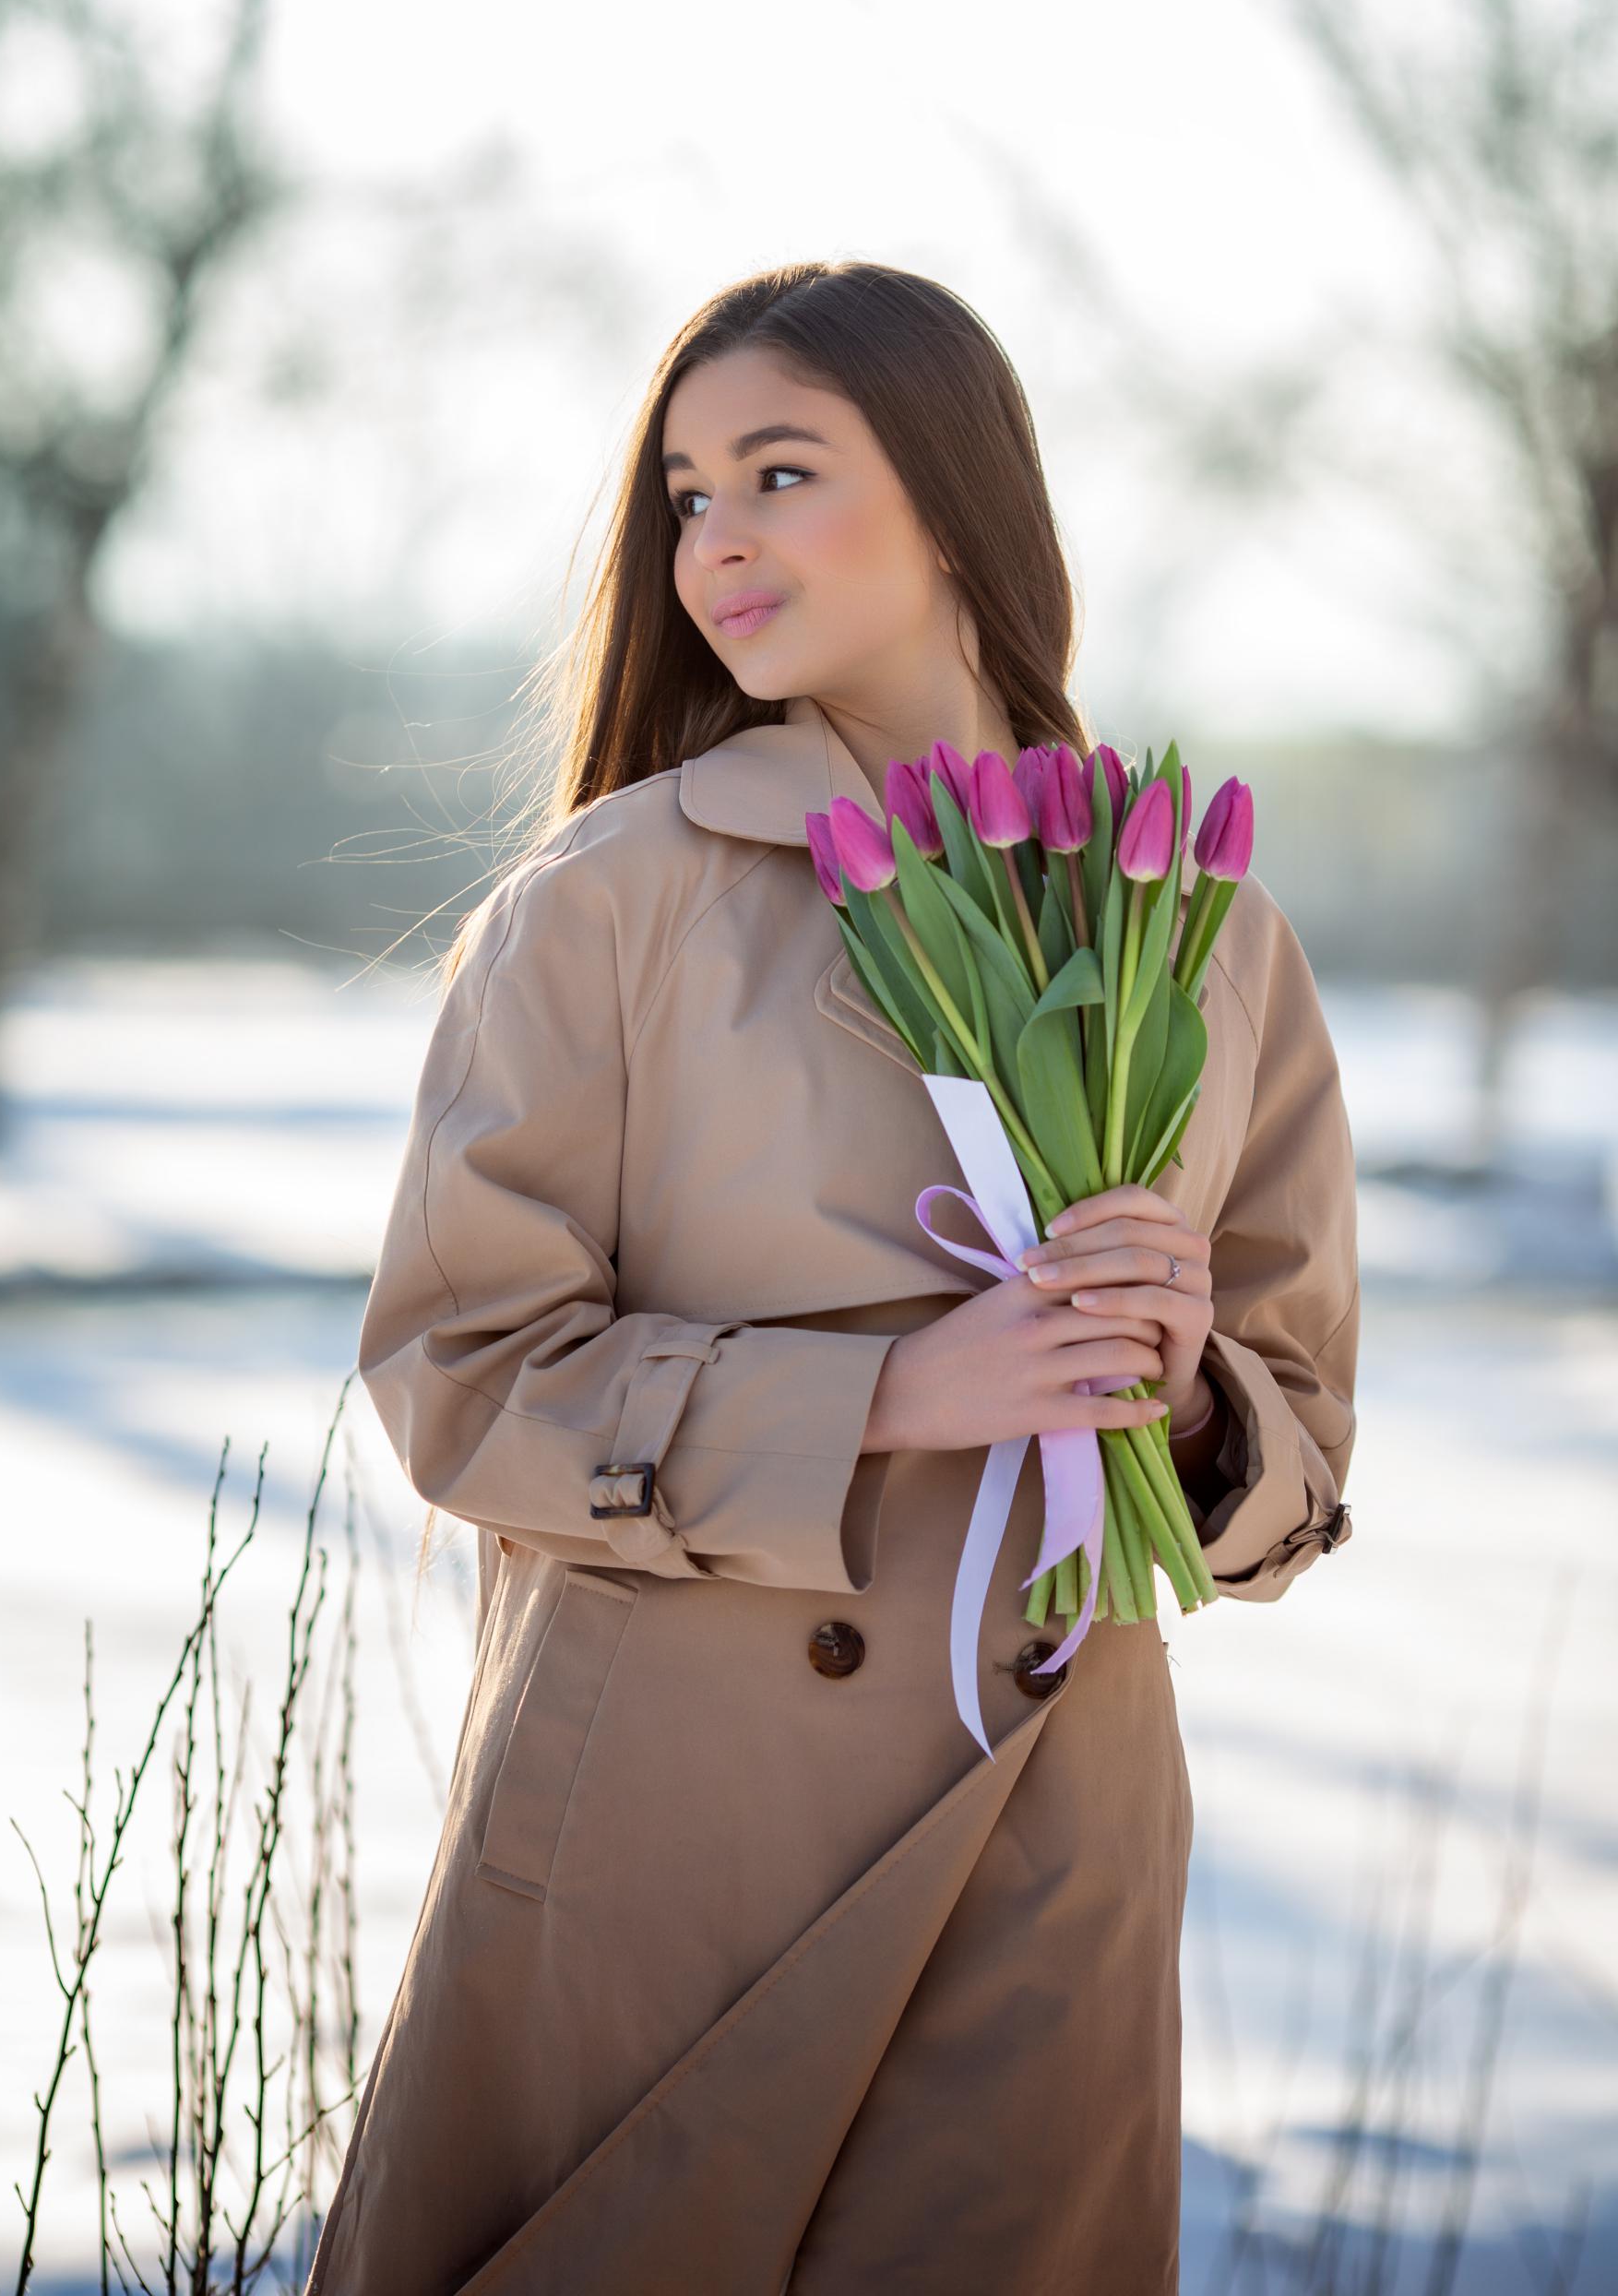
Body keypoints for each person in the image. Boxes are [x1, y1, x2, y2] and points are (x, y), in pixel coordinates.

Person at [303, 259, 1359, 2296]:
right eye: (688, 495)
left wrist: (1194, 1391)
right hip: (669, 1841)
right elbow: (459, 1380)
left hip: (1046, 1825)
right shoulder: (612, 905)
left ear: (958, 495)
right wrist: (892, 1394)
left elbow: (1296, 1459)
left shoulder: (1215, 936)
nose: (718, 542)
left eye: (779, 473)